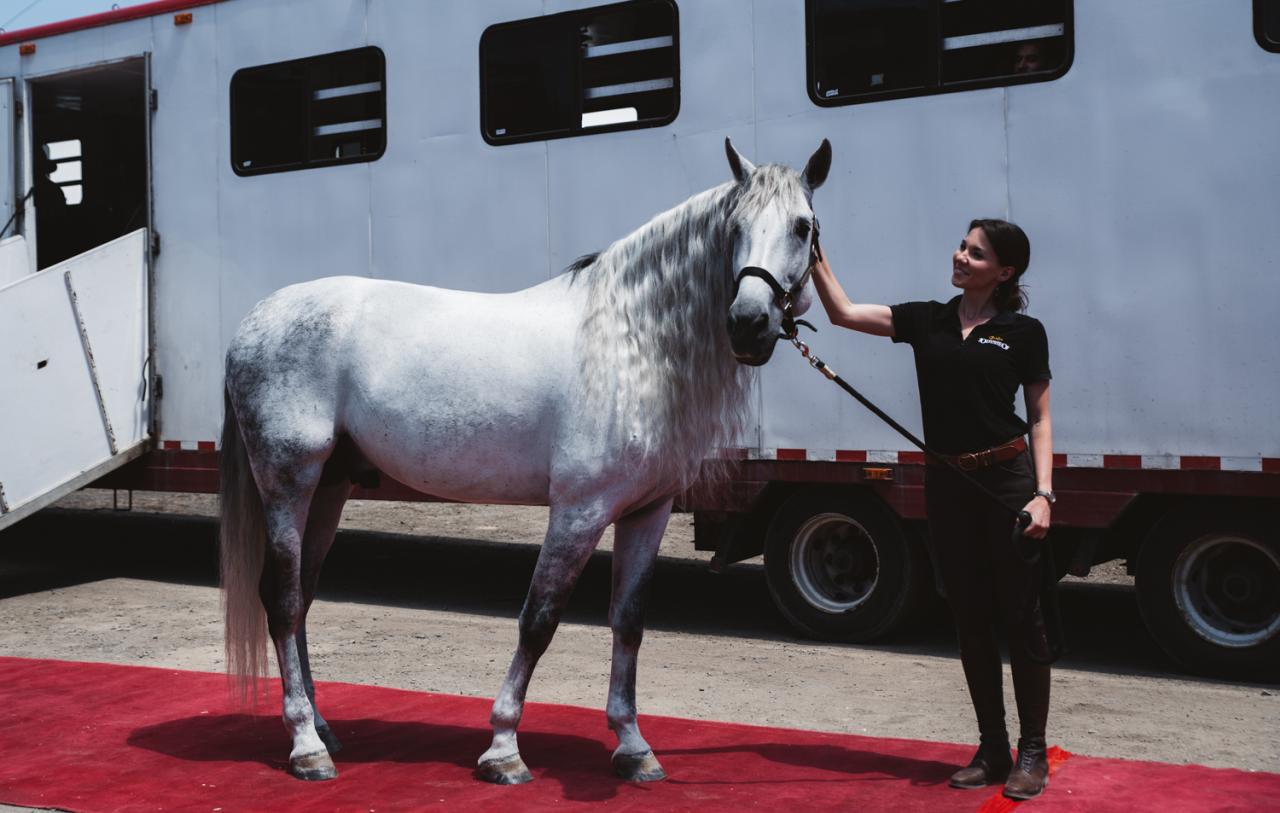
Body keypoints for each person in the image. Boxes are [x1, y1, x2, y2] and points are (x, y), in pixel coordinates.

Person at [810, 219, 1056, 801]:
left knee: (1021, 618)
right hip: (948, 484)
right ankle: (992, 748)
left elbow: (1041, 417)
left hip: (1008, 482)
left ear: (1005, 272)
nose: (961, 256)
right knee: (969, 617)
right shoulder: (928, 319)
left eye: (976, 253)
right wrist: (813, 253)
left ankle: (1033, 752)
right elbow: (843, 313)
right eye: (962, 246)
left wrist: (1043, 494)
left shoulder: (1023, 332)